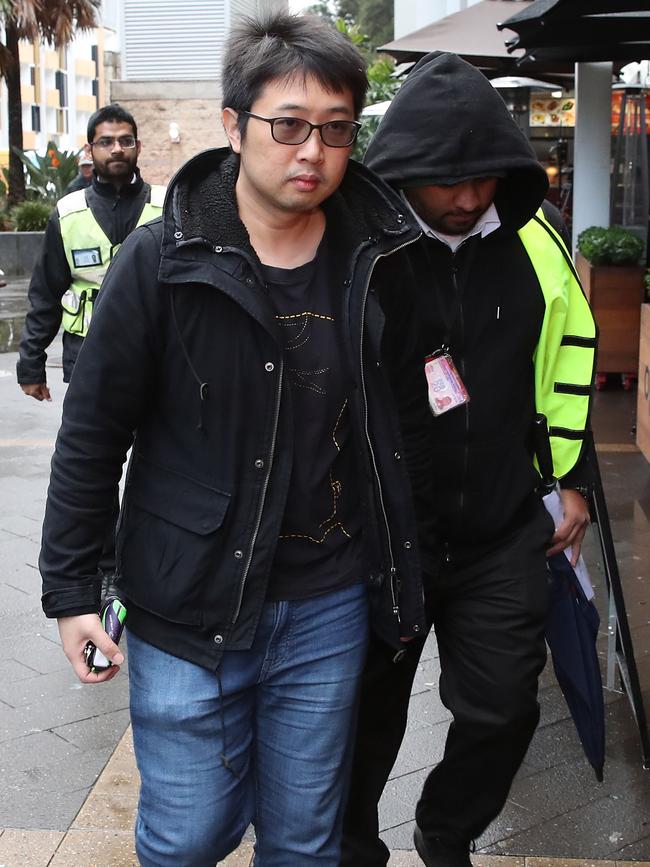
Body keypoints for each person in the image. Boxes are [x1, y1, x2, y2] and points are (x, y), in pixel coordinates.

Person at [39, 13, 428, 867]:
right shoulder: (160, 261)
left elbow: (403, 425)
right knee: (187, 838)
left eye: (335, 130)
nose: (312, 151)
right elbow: (92, 436)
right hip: (189, 601)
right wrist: (71, 590)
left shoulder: (381, 257)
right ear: (232, 124)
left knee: (304, 839)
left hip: (328, 601)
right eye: (287, 125)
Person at [340, 52, 597, 867]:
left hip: (498, 529)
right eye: (444, 181)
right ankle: (350, 847)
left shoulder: (538, 245)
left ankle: (446, 826)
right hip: (381, 539)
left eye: (483, 177)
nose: (467, 198)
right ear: (401, 171)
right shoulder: (360, 251)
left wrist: (576, 480)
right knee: (358, 721)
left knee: (504, 708)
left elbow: (566, 361)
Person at [17, 103, 165, 401]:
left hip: (157, 357)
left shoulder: (167, 205)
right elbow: (45, 294)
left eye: (126, 140)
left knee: (156, 448)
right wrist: (31, 366)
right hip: (88, 359)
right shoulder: (68, 213)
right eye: (106, 142)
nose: (117, 149)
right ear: (89, 149)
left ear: (139, 146)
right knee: (89, 447)